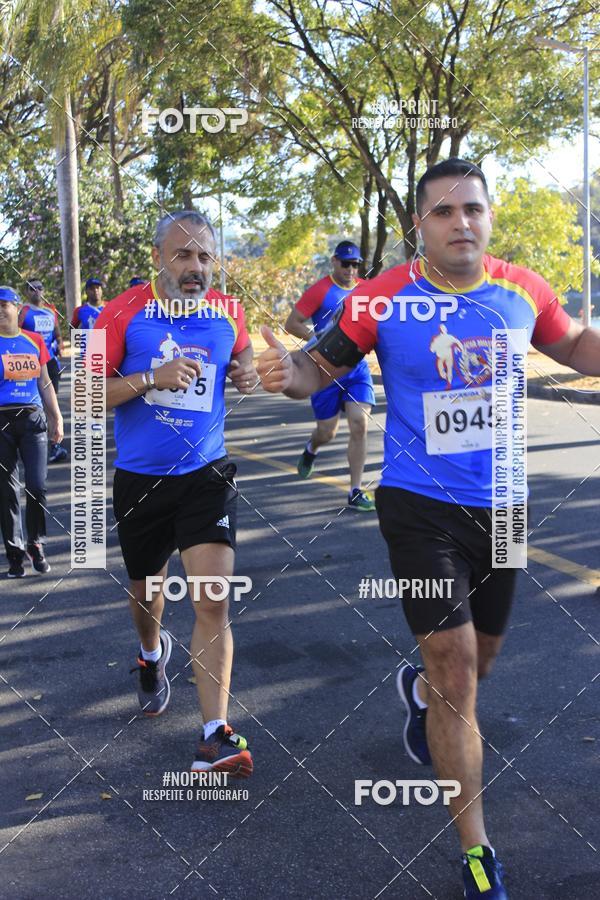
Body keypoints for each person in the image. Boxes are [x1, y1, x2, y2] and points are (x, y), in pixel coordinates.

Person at [257, 157, 600, 899]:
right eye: (444, 212)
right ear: (421, 226)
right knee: (455, 670)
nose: (461, 223)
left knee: (479, 666)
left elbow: (573, 345)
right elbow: (322, 364)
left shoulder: (521, 290)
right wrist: (292, 374)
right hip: (418, 506)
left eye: (473, 209)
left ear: (489, 217)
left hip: (505, 507)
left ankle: (420, 696)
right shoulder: (382, 298)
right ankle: (478, 850)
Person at [94, 210, 256, 775]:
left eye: (205, 257)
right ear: (159, 257)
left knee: (212, 598)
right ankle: (149, 652)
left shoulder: (229, 311)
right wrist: (150, 378)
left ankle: (215, 733)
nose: (196, 268)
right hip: (141, 480)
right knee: (148, 598)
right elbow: (89, 392)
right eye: (184, 255)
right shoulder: (119, 312)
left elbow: (243, 354)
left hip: (206, 478)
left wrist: (247, 372)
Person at [285, 241, 376, 511]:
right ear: (334, 262)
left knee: (360, 424)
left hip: (357, 370)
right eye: (345, 263)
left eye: (355, 265)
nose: (350, 269)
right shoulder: (320, 290)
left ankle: (355, 490)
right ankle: (312, 448)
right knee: (327, 432)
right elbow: (292, 323)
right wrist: (318, 338)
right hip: (324, 370)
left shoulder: (366, 291)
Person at [0, 286, 63, 576]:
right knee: (6, 490)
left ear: (16, 308)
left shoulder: (34, 340)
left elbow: (46, 382)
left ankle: (36, 543)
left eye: (5, 305)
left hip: (33, 420)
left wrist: (56, 417)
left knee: (37, 486)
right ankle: (14, 553)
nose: (1, 310)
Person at [19, 277, 66, 462]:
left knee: (50, 401)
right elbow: (16, 332)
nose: (36, 291)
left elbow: (57, 333)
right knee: (35, 404)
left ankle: (53, 444)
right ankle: (34, 442)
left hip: (50, 361)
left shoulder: (50, 311)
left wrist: (61, 344)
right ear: (27, 292)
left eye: (39, 287)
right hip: (30, 361)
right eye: (32, 289)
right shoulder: (24, 311)